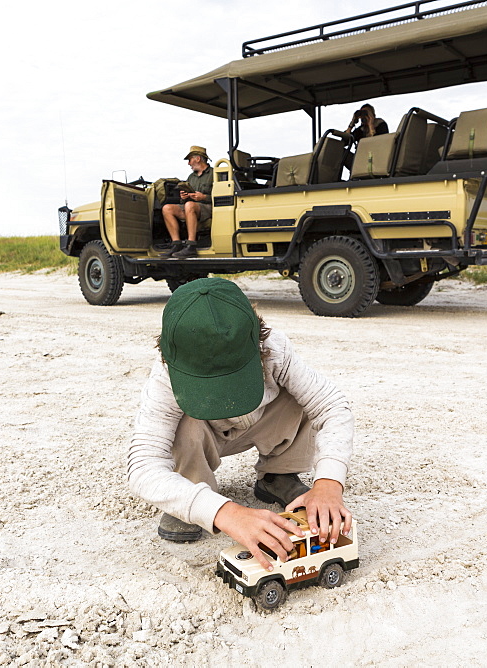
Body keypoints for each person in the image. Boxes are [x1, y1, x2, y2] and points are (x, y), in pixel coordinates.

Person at [127, 277, 354, 571]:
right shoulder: (164, 379)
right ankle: (192, 489)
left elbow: (332, 405)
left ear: (258, 339)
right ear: (169, 358)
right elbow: (143, 466)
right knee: (182, 427)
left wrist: (328, 483)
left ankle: (277, 475)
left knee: (305, 396)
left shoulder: (276, 350)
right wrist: (222, 511)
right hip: (205, 434)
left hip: (263, 423)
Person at [160, 146, 213, 259]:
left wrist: (203, 197)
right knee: (167, 208)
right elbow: (187, 197)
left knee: (189, 205)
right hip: (192, 207)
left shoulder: (213, 174)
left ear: (198, 159)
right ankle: (177, 244)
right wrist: (184, 197)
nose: (189, 163)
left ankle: (191, 245)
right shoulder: (191, 177)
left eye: (190, 160)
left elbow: (221, 196)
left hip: (209, 207)